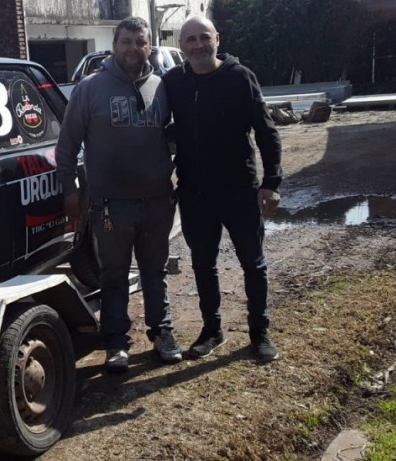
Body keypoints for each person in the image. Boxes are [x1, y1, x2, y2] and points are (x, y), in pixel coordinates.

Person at [56, 16, 181, 373]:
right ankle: (115, 341)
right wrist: (70, 190)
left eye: (140, 42)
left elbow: (172, 133)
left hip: (157, 201)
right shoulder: (90, 88)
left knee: (154, 272)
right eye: (126, 41)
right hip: (110, 205)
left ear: (149, 46)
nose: (133, 49)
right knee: (113, 276)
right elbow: (67, 147)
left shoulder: (161, 86)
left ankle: (162, 333)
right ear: (114, 45)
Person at [161, 15, 282, 361]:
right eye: (190, 40)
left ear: (217, 38)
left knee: (252, 264)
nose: (198, 45)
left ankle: (259, 332)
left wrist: (271, 182)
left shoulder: (239, 77)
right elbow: (167, 127)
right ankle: (212, 330)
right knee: (203, 263)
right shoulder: (173, 82)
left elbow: (266, 131)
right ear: (182, 46)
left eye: (204, 37)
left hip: (239, 190)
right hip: (195, 194)